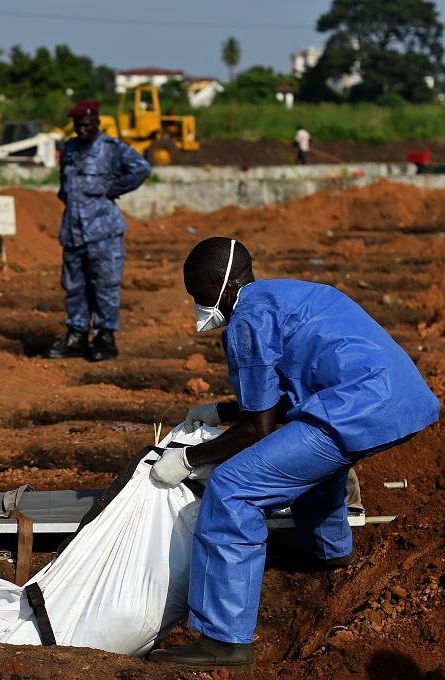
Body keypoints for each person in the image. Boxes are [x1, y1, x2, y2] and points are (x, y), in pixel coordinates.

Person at [148, 237, 440, 672]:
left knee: (233, 489)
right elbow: (283, 395)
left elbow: (257, 428)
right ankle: (328, 551)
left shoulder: (246, 319)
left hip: (356, 407)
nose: (196, 305)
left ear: (222, 288)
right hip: (395, 399)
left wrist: (191, 459)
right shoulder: (284, 294)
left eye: (198, 295)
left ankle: (223, 640)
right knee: (311, 463)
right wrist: (221, 409)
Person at [43, 100, 151, 362]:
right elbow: (65, 183)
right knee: (74, 286)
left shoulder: (111, 149)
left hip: (103, 230)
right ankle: (77, 333)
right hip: (73, 230)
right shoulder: (69, 148)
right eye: (78, 125)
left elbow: (142, 168)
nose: (81, 130)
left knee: (105, 286)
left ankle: (105, 336)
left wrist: (114, 189)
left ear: (97, 124)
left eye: (87, 125)